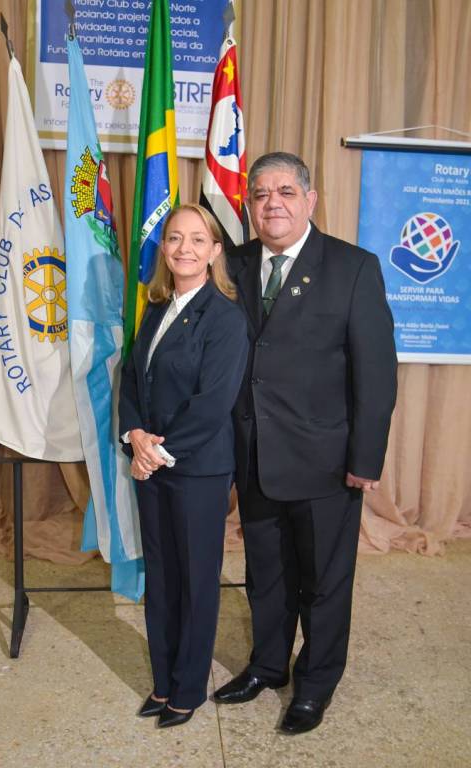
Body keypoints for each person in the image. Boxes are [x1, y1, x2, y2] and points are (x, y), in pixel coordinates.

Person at [213, 152, 397, 734]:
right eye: (261, 194)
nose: (273, 204)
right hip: (253, 456)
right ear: (249, 204)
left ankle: (315, 684)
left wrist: (365, 459)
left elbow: (377, 374)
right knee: (266, 575)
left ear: (310, 200)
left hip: (326, 463)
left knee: (323, 582)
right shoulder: (231, 263)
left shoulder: (353, 267)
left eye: (286, 192)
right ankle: (268, 666)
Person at [119, 203, 248, 729]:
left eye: (197, 239)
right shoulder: (156, 308)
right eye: (175, 238)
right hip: (150, 466)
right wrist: (133, 435)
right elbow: (132, 379)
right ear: (164, 249)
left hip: (196, 471)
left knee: (195, 581)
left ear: (215, 251)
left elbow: (213, 404)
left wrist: (155, 453)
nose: (184, 248)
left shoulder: (226, 318)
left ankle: (188, 688)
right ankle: (163, 680)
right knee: (161, 576)